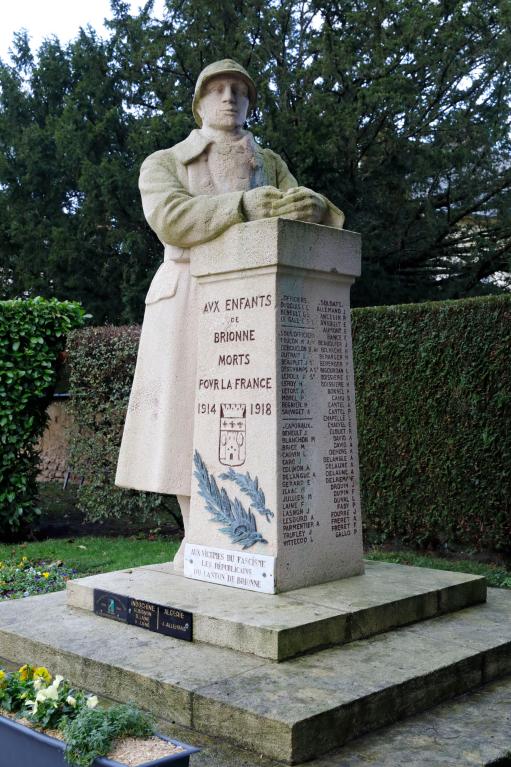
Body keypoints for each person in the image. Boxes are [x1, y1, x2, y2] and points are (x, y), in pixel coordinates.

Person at [115, 59, 345, 572]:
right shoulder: (166, 161)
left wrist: (312, 207)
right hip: (190, 294)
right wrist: (242, 207)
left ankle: (247, 541)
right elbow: (171, 219)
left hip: (256, 295)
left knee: (248, 422)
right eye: (217, 90)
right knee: (182, 422)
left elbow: (302, 204)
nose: (229, 98)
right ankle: (200, 534)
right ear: (199, 104)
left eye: (239, 91)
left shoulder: (270, 160)